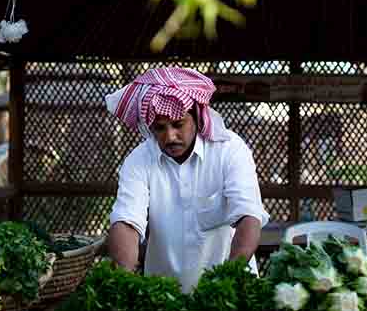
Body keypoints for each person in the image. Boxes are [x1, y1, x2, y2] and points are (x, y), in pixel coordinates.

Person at [105, 67, 270, 292]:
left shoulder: (230, 150)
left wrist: (228, 282)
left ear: (197, 117)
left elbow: (249, 217)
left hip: (230, 289)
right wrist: (124, 281)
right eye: (160, 128)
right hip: (165, 294)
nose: (169, 136)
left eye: (178, 124)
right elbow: (126, 221)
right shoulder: (139, 161)